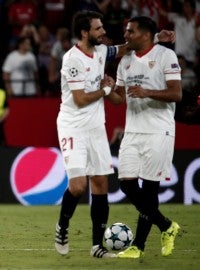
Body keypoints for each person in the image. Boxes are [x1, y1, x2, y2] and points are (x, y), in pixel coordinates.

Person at [54, 10, 176, 258]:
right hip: (72, 126)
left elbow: (124, 47)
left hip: (96, 126)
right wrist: (106, 89)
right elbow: (79, 100)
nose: (103, 32)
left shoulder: (101, 51)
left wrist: (155, 38)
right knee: (77, 187)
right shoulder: (72, 59)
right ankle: (62, 226)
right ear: (85, 33)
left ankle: (97, 246)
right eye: (98, 29)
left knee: (100, 185)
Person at [107, 16, 182, 258]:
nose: (126, 35)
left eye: (131, 31)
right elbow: (120, 98)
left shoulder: (165, 56)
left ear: (146, 34)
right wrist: (108, 89)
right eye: (126, 31)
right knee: (127, 185)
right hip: (132, 131)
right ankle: (167, 225)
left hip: (159, 130)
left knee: (149, 191)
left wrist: (147, 91)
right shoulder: (125, 61)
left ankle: (138, 246)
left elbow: (176, 94)